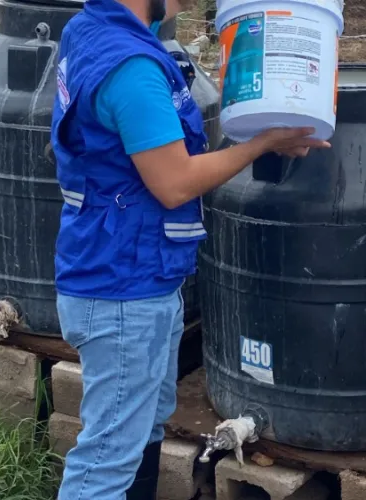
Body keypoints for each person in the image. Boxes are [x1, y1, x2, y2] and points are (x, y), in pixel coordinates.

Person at [49, 0, 330, 497]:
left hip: (130, 271)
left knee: (144, 426)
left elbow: (145, 148)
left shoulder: (91, 28)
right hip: (123, 289)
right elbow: (174, 183)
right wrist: (260, 144)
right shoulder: (132, 69)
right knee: (107, 459)